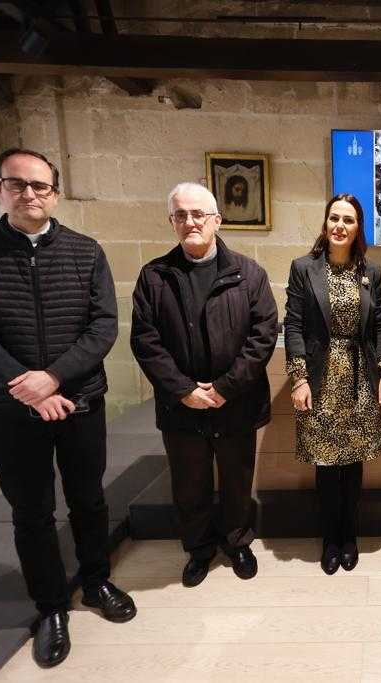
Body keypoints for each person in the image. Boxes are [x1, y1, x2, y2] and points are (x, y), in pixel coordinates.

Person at [0, 148, 136, 669]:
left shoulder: (84, 250)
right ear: (0, 188)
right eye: (18, 184)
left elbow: (102, 326)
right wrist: (23, 384)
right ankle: (51, 607)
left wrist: (54, 378)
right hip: (9, 408)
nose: (30, 194)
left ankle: (96, 581)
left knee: (88, 499)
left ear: (55, 191)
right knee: (31, 513)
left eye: (40, 186)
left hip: (77, 400)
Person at [130, 182, 278, 589]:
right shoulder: (154, 276)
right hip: (181, 406)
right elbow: (145, 340)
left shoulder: (249, 274)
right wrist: (183, 389)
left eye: (198, 214)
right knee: (189, 483)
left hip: (236, 403)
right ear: (172, 222)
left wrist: (225, 388)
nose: (190, 221)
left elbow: (263, 335)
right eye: (181, 215)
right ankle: (198, 549)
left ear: (217, 219)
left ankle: (237, 542)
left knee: (236, 479)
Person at [284, 193, 381, 575]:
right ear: (325, 222)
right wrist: (299, 379)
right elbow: (293, 325)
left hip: (361, 378)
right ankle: (330, 538)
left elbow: (379, 323)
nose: (340, 226)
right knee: (327, 464)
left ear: (358, 227)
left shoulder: (371, 271)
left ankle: (351, 535)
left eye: (348, 220)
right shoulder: (304, 268)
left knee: (354, 462)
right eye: (334, 218)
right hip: (321, 378)